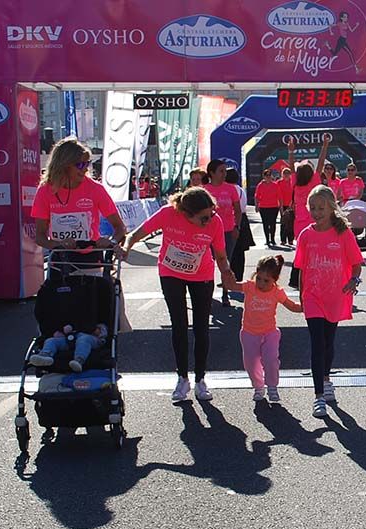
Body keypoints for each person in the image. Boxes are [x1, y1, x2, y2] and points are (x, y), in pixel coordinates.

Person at [123, 187, 233, 402]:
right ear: (186, 213)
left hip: (201, 275)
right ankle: (182, 378)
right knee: (179, 325)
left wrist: (227, 274)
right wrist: (126, 247)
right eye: (203, 217)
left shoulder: (215, 222)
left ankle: (201, 379)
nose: (209, 219)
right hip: (171, 272)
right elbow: (136, 234)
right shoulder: (167, 214)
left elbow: (220, 255)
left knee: (201, 328)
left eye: (212, 213)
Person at [293, 185, 363, 418]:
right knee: (316, 343)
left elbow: (355, 263)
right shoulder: (306, 235)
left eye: (321, 208)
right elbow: (301, 269)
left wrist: (354, 279)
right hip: (313, 296)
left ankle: (326, 377)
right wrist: (302, 296)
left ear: (332, 208)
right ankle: (318, 396)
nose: (316, 212)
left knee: (328, 342)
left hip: (335, 295)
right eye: (312, 208)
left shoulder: (343, 233)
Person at [32, 138, 126, 275]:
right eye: (80, 165)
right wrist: (58, 244)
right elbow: (40, 236)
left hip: (91, 258)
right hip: (60, 259)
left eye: (87, 163)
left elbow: (120, 227)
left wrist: (110, 242)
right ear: (64, 165)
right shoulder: (45, 191)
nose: (85, 169)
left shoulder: (95, 189)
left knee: (98, 295)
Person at [221, 255, 302, 403]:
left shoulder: (277, 292)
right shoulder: (249, 286)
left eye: (266, 280)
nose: (261, 283)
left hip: (269, 333)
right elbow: (232, 286)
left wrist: (306, 307)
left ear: (274, 280)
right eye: (259, 278)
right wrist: (226, 273)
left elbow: (292, 306)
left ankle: (272, 386)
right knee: (251, 363)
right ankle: (258, 386)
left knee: (271, 360)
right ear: (255, 274)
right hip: (249, 333)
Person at [287, 135, 330, 288]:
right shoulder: (314, 181)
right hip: (315, 223)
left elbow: (291, 167)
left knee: (301, 252)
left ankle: (297, 279)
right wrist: (325, 145)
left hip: (299, 224)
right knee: (317, 252)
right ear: (311, 173)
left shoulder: (295, 184)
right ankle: (315, 278)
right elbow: (320, 163)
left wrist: (291, 151)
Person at [204, 159, 242, 307]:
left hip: (227, 231)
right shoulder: (204, 189)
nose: (224, 174)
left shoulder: (231, 189)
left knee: (226, 263)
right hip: (207, 234)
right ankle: (207, 292)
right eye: (221, 171)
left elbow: (237, 210)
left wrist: (237, 227)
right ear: (211, 173)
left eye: (225, 171)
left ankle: (225, 293)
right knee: (207, 264)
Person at [30, 323, 108, 373]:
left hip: (91, 338)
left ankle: (79, 360)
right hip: (71, 337)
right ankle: (45, 355)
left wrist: (95, 330)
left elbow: (101, 331)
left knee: (83, 340)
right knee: (51, 341)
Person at [255, 170, 281, 246]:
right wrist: (257, 206)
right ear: (264, 176)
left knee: (273, 223)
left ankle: (272, 239)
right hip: (263, 207)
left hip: (273, 207)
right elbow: (256, 196)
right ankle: (267, 239)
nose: (268, 177)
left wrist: (280, 207)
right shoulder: (260, 185)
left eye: (269, 175)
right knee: (265, 224)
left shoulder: (275, 185)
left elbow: (279, 197)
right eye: (266, 176)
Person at [278, 167, 294, 245]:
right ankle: (283, 240)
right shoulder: (279, 183)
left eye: (288, 173)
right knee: (283, 223)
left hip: (291, 205)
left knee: (291, 223)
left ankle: (290, 239)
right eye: (285, 173)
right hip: (282, 205)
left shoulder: (293, 182)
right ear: (282, 174)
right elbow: (277, 194)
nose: (286, 175)